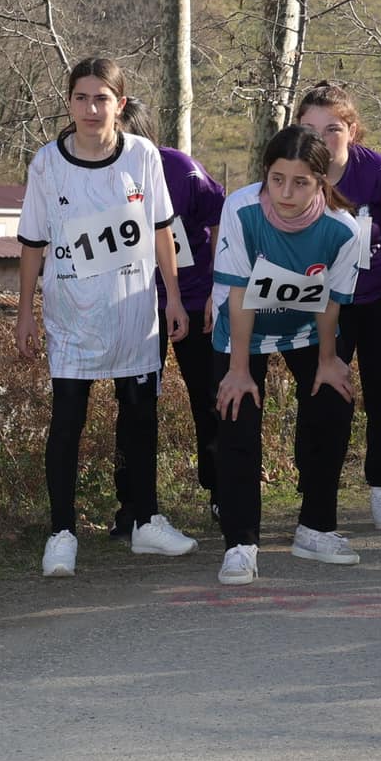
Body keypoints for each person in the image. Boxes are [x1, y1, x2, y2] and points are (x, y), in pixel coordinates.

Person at [16, 62, 191, 577]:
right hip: (72, 313)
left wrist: (174, 298)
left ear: (120, 103)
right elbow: (31, 245)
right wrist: (25, 311)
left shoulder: (143, 157)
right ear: (68, 103)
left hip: (134, 309)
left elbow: (161, 230)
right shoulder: (47, 164)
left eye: (102, 98)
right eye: (81, 98)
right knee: (68, 419)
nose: (91, 109)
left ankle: (146, 521)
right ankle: (62, 532)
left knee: (140, 417)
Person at [210, 126, 364, 585]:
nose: (286, 193)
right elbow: (238, 295)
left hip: (308, 328)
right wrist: (238, 371)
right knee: (236, 415)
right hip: (243, 330)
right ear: (264, 175)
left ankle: (316, 527)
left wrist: (328, 360)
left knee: (332, 402)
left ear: (322, 183)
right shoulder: (240, 209)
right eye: (277, 179)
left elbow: (332, 300)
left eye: (300, 183)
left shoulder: (343, 230)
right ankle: (240, 543)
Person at [296, 81, 381, 531]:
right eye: (309, 127)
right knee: (321, 393)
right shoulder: (292, 170)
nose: (320, 137)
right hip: (323, 298)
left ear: (351, 130)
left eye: (332, 128)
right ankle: (313, 488)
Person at [124, 99, 226, 531]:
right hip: (137, 301)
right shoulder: (95, 175)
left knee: (209, 397)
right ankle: (133, 506)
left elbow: (222, 216)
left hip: (195, 295)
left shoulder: (180, 170)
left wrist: (218, 290)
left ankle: (222, 492)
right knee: (134, 403)